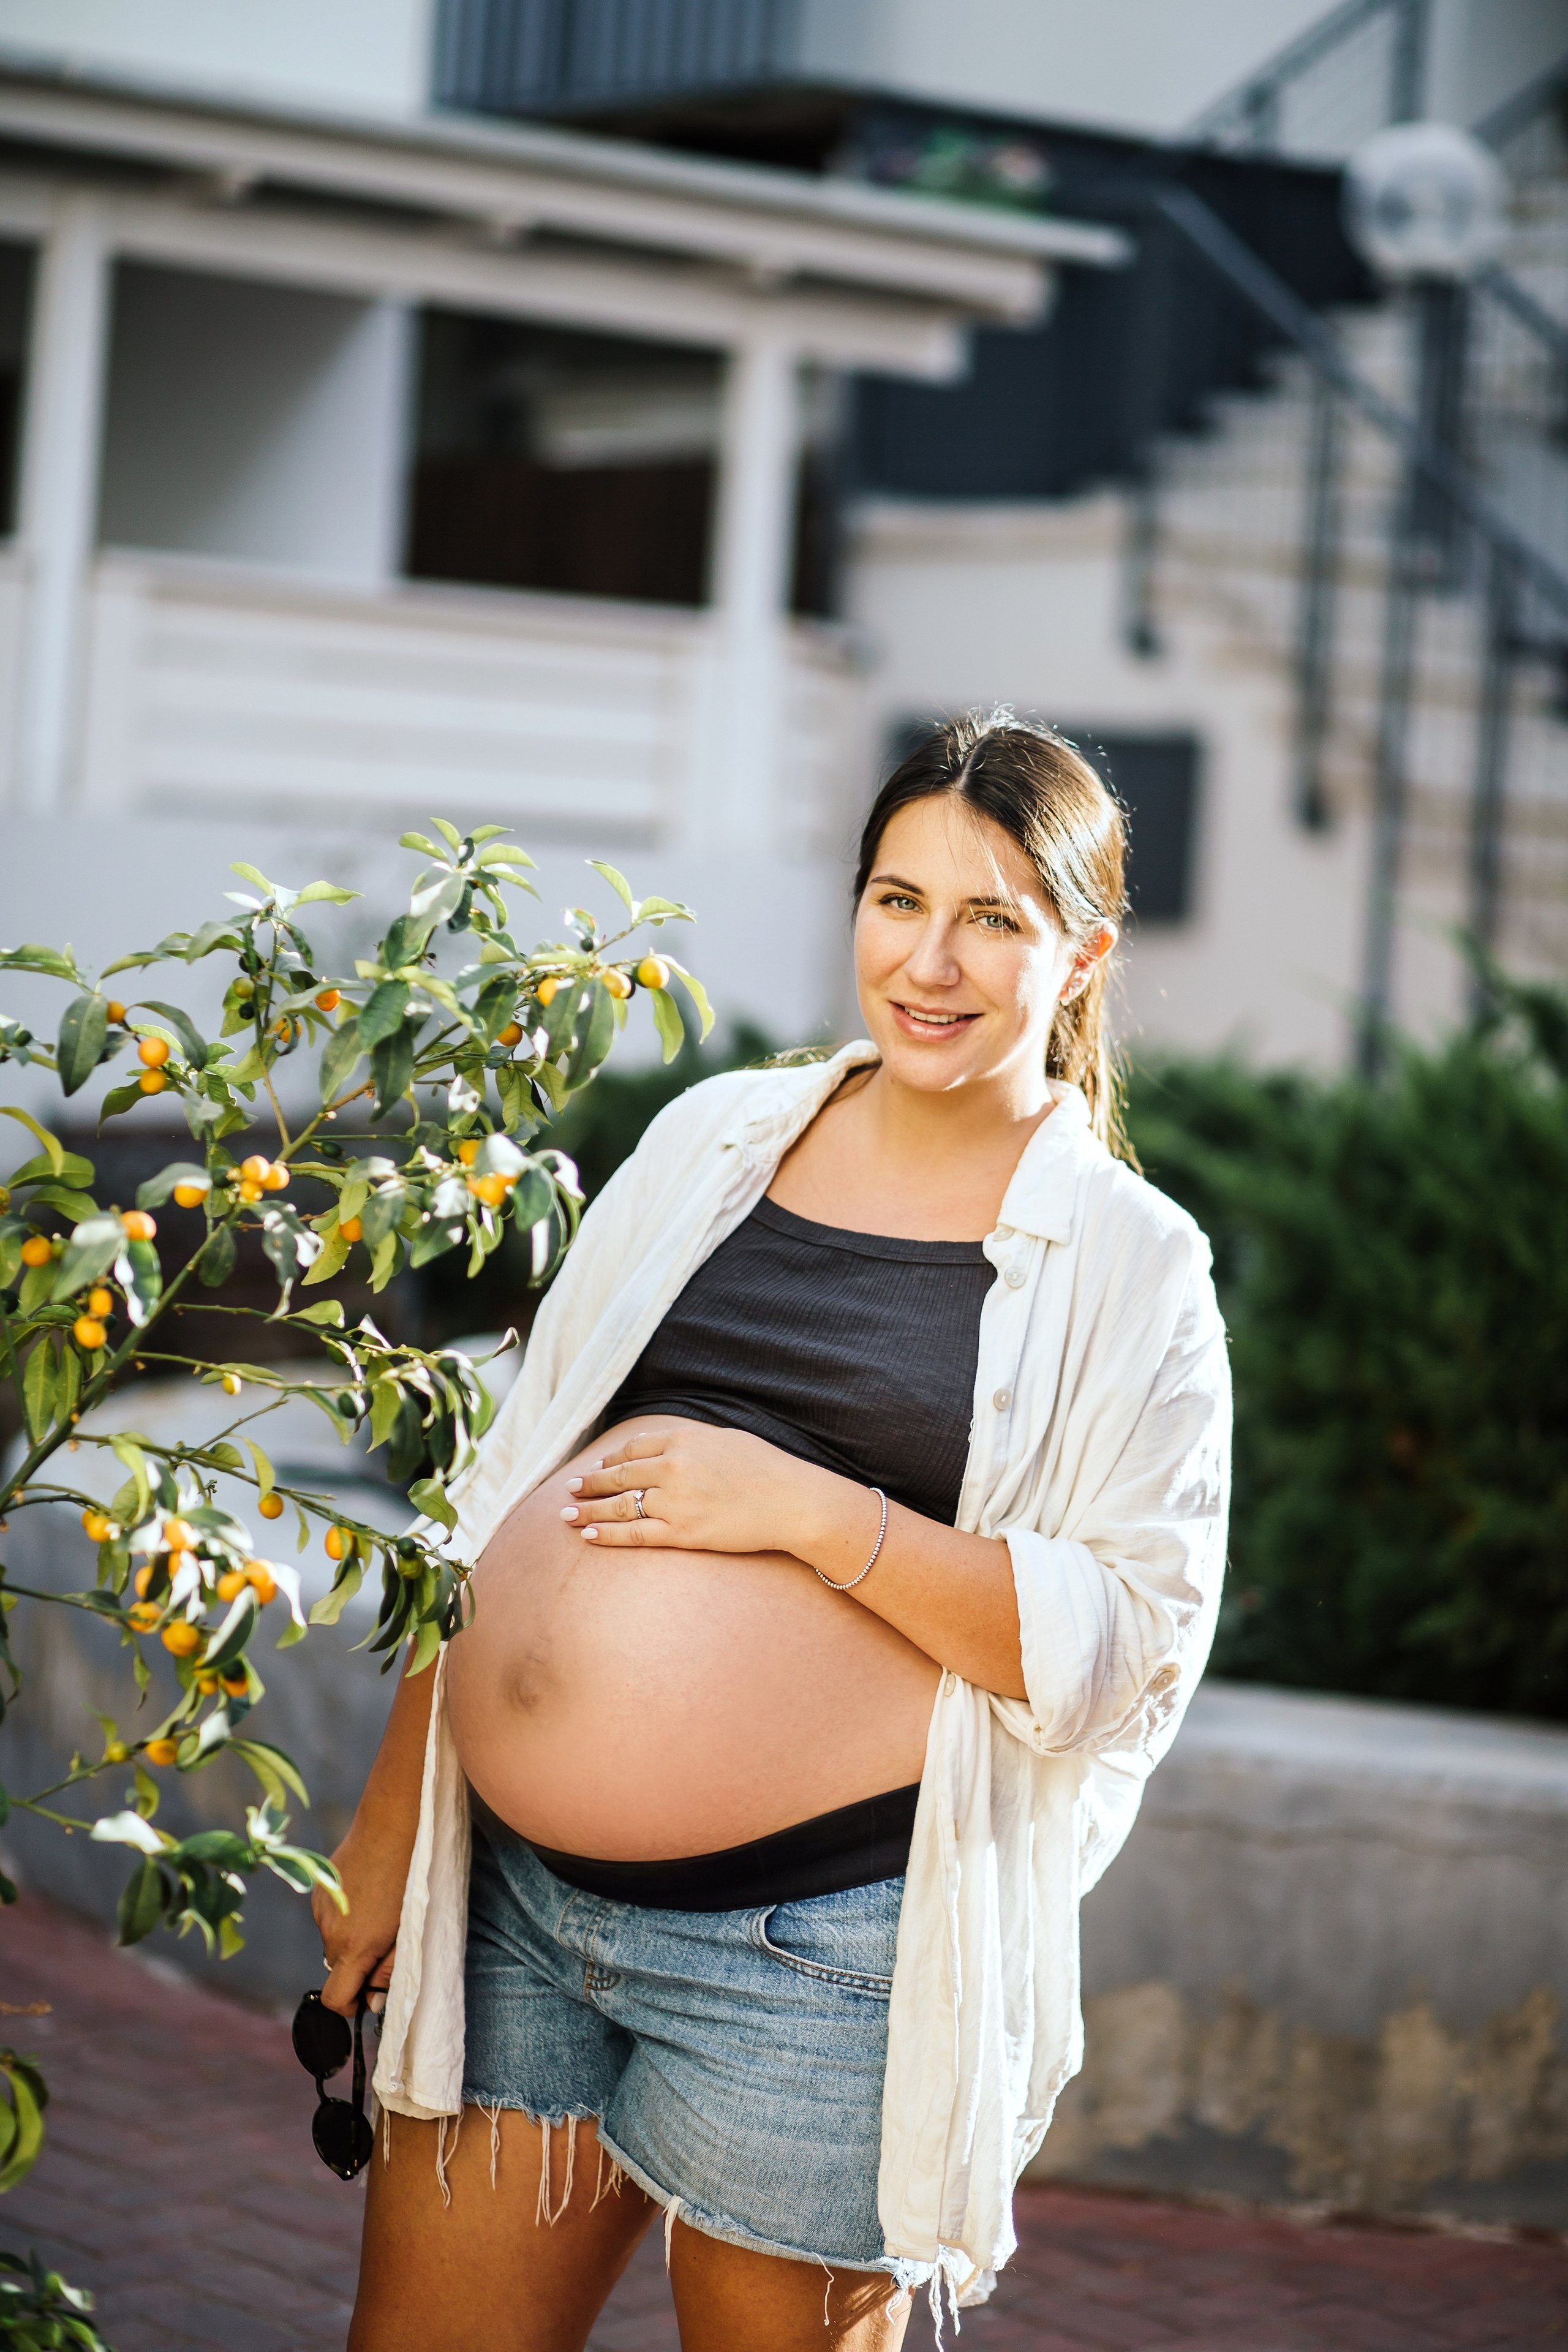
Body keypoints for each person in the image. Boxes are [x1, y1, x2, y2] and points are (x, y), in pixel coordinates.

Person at [315, 712, 1231, 2352]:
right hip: (517, 1905)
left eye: (993, 920)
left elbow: (1126, 1650)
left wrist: (814, 1517)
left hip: (819, 1969)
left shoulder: (1130, 1265)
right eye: (898, 901)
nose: (929, 961)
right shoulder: (715, 1140)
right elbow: (509, 1482)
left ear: (1084, 955)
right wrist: (394, 1824)